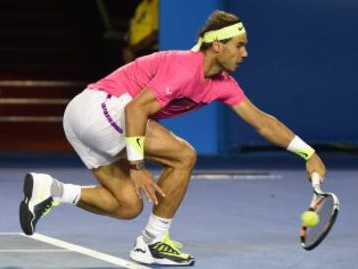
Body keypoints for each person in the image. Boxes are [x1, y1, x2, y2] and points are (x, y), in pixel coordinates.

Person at [19, 10, 326, 266]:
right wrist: (137, 167)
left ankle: (53, 191)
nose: (245, 53)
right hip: (101, 109)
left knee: (127, 205)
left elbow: (262, 122)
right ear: (217, 46)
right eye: (239, 45)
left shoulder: (223, 84)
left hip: (80, 118)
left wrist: (307, 153)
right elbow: (136, 110)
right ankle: (153, 241)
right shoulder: (184, 68)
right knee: (184, 155)